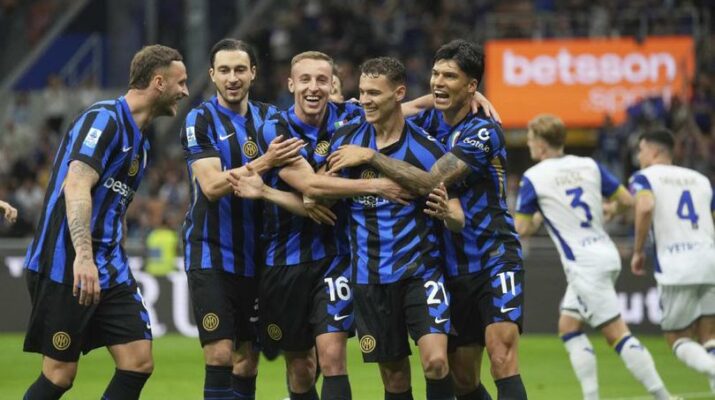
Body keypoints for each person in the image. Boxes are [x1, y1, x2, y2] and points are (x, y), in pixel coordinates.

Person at [326, 40, 525, 400]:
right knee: (463, 378)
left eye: (450, 76)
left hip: (492, 256)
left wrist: (371, 157)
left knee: (501, 355)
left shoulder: (484, 130)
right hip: (448, 262)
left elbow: (433, 180)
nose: (438, 82)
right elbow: (398, 106)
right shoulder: (429, 119)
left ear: (471, 85)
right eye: (436, 74)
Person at [22, 44, 189, 400]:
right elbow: (76, 185)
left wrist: (114, 253)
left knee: (138, 361)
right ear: (158, 82)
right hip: (66, 262)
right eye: (181, 82)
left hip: (109, 266)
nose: (186, 91)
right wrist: (83, 257)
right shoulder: (104, 119)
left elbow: (116, 207)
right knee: (59, 376)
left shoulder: (141, 146)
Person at [515, 115, 674, 400]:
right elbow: (626, 200)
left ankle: (664, 396)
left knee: (617, 334)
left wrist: (537, 216)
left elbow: (522, 229)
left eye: (530, 140)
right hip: (605, 252)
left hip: (584, 264)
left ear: (541, 144)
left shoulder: (534, 177)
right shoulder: (589, 165)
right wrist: (611, 210)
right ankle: (591, 397)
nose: (528, 145)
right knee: (568, 326)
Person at [179, 38, 304, 400]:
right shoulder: (200, 119)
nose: (232, 78)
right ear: (212, 75)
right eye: (224, 70)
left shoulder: (271, 118)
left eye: (239, 70)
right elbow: (212, 186)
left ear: (253, 73)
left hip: (260, 257)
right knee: (220, 354)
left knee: (247, 361)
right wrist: (265, 161)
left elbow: (320, 122)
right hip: (211, 253)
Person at [328, 56, 455, 400]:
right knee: (395, 380)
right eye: (362, 92)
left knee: (436, 362)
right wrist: (365, 186)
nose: (365, 100)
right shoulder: (345, 139)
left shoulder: (426, 148)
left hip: (420, 272)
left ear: (398, 94)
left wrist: (371, 158)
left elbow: (435, 186)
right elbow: (316, 189)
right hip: (369, 277)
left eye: (374, 93)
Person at [629, 128, 715, 395]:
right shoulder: (700, 179)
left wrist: (638, 251)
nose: (639, 156)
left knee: (676, 337)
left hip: (677, 266)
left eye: (641, 150)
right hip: (709, 260)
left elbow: (645, 206)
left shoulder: (644, 177)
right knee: (710, 336)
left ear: (654, 151)